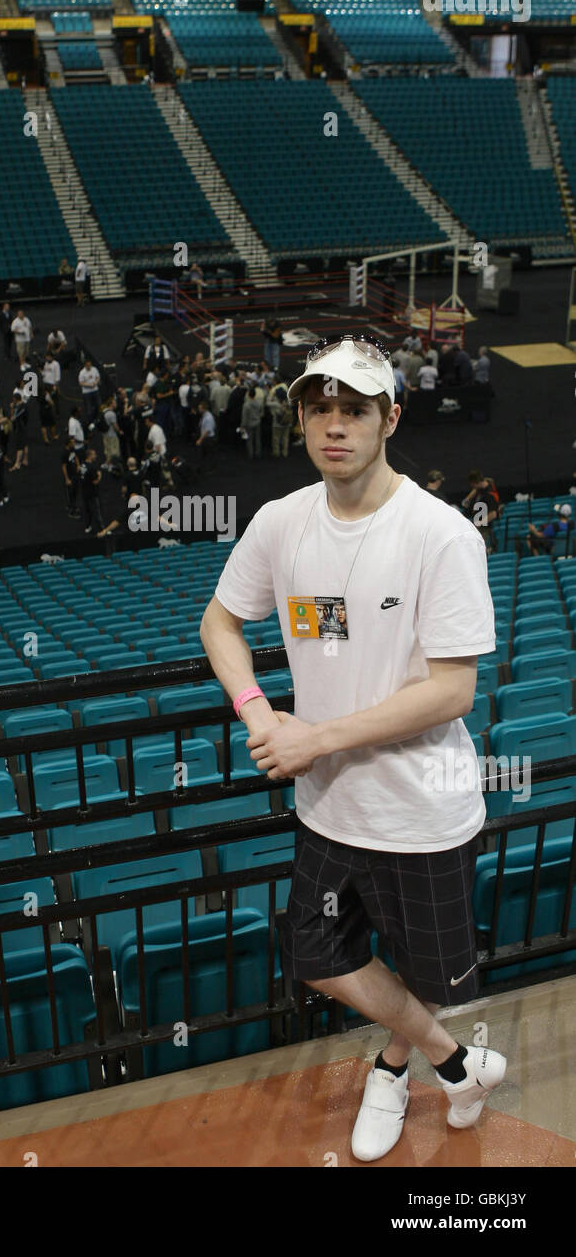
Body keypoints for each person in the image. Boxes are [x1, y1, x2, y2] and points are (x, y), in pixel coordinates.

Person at [199, 332, 506, 1163]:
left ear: (390, 418)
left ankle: (394, 1069)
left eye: (355, 410)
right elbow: (220, 621)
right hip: (329, 804)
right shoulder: (280, 521)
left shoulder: (441, 535)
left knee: (429, 977)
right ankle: (457, 1064)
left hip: (419, 807)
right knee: (315, 954)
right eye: (320, 408)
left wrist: (315, 738)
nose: (335, 426)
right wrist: (260, 713)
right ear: (302, 417)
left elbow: (452, 690)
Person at [79, 449, 104, 534]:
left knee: (87, 510)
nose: (96, 456)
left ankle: (88, 526)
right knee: (97, 511)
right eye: (94, 454)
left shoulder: (82, 465)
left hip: (84, 491)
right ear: (89, 456)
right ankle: (102, 529)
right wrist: (100, 475)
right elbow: (95, 481)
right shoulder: (92, 467)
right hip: (92, 493)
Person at [267, 384, 294, 459]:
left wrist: (272, 395)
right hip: (287, 422)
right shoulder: (288, 402)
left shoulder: (276, 404)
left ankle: (276, 452)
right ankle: (285, 452)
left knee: (276, 438)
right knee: (285, 438)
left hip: (277, 424)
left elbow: (267, 403)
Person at [240, 386, 264, 461]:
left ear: (248, 395)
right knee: (258, 439)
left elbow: (244, 417)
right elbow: (261, 413)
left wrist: (242, 426)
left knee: (249, 440)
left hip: (249, 424)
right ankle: (258, 453)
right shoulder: (259, 403)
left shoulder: (246, 405)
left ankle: (250, 455)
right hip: (257, 422)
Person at [8, 389, 30, 471]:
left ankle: (17, 464)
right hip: (23, 427)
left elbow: (13, 418)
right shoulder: (23, 405)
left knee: (19, 447)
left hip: (20, 428)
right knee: (25, 444)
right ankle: (25, 459)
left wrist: (11, 409)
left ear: (15, 399)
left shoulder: (21, 408)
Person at [61, 436, 82, 518]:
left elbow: (75, 456)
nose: (74, 444)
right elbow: (63, 466)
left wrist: (78, 465)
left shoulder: (72, 450)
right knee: (70, 493)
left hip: (75, 475)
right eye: (72, 442)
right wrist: (67, 479)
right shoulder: (64, 453)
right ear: (68, 443)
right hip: (70, 476)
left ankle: (73, 506)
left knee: (75, 492)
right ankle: (71, 511)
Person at [78, 357, 101, 427]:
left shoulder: (94, 369)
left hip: (95, 390)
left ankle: (97, 418)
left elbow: (98, 377)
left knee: (98, 405)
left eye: (90, 365)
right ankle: (90, 422)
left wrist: (95, 383)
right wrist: (89, 385)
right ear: (85, 365)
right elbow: (81, 383)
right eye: (88, 365)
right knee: (89, 408)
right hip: (86, 392)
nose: (89, 366)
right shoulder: (82, 373)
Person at [195, 400, 217, 472]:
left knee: (208, 455)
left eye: (200, 408)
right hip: (206, 438)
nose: (199, 410)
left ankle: (209, 469)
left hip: (208, 439)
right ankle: (202, 468)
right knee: (203, 454)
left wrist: (200, 440)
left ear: (204, 409)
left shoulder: (208, 418)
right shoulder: (205, 415)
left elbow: (207, 431)